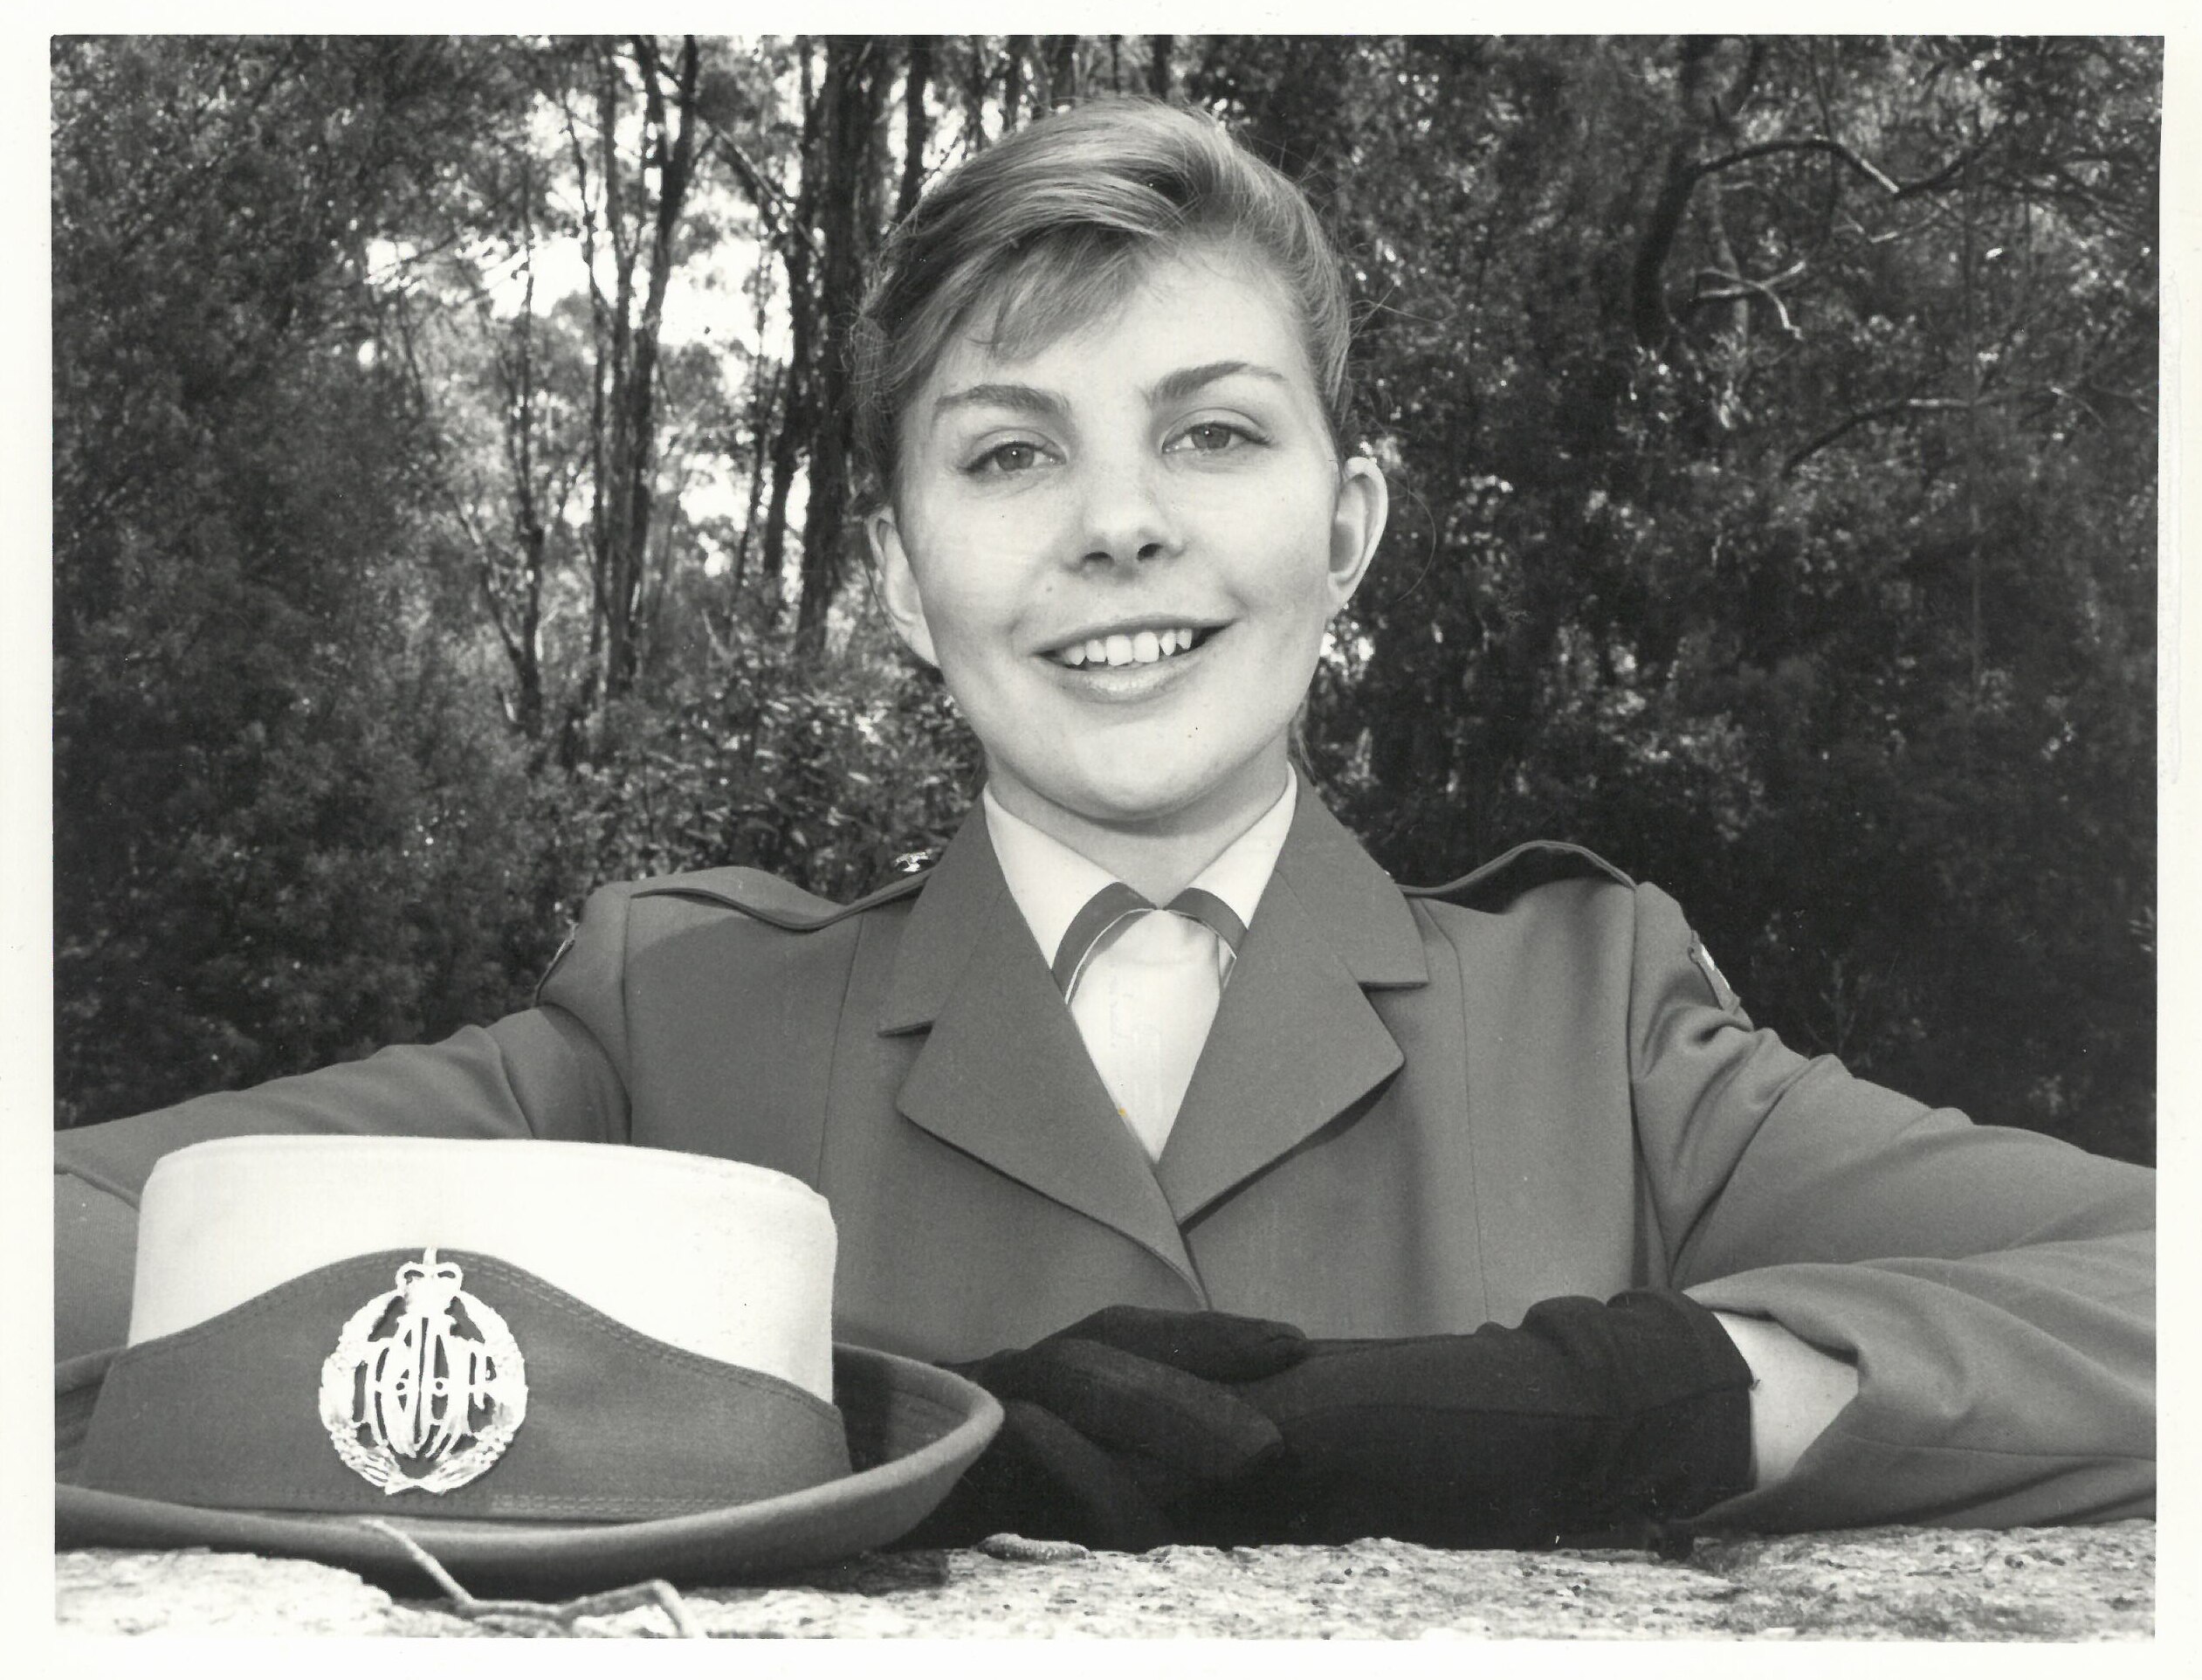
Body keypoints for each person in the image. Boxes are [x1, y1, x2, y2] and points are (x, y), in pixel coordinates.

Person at [56, 98, 2152, 1553]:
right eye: (1006, 453)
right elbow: (84, 1234)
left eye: (1213, 432)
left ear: (1344, 527)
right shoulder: (672, 1027)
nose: (1120, 520)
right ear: (896, 572)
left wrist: (1643, 1400)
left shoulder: (1598, 1021)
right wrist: (881, 1441)